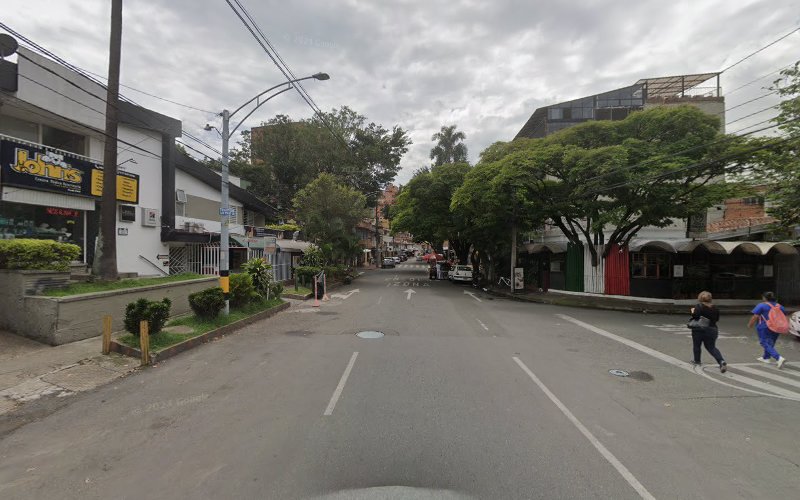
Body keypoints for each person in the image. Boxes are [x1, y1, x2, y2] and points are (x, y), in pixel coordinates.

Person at [748, 291, 787, 369]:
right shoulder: (780, 306)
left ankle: (778, 358)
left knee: (764, 342)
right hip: (777, 327)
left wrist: (750, 324)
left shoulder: (761, 305)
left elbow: (755, 316)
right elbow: (783, 316)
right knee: (771, 342)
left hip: (764, 326)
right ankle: (766, 358)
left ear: (765, 298)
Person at [689, 291, 726, 372]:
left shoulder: (699, 306)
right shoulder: (715, 308)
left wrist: (692, 311)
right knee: (711, 347)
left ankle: (697, 361)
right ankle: (721, 361)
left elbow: (695, 316)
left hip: (699, 329)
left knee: (697, 345)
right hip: (712, 329)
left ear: (700, 298)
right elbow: (717, 319)